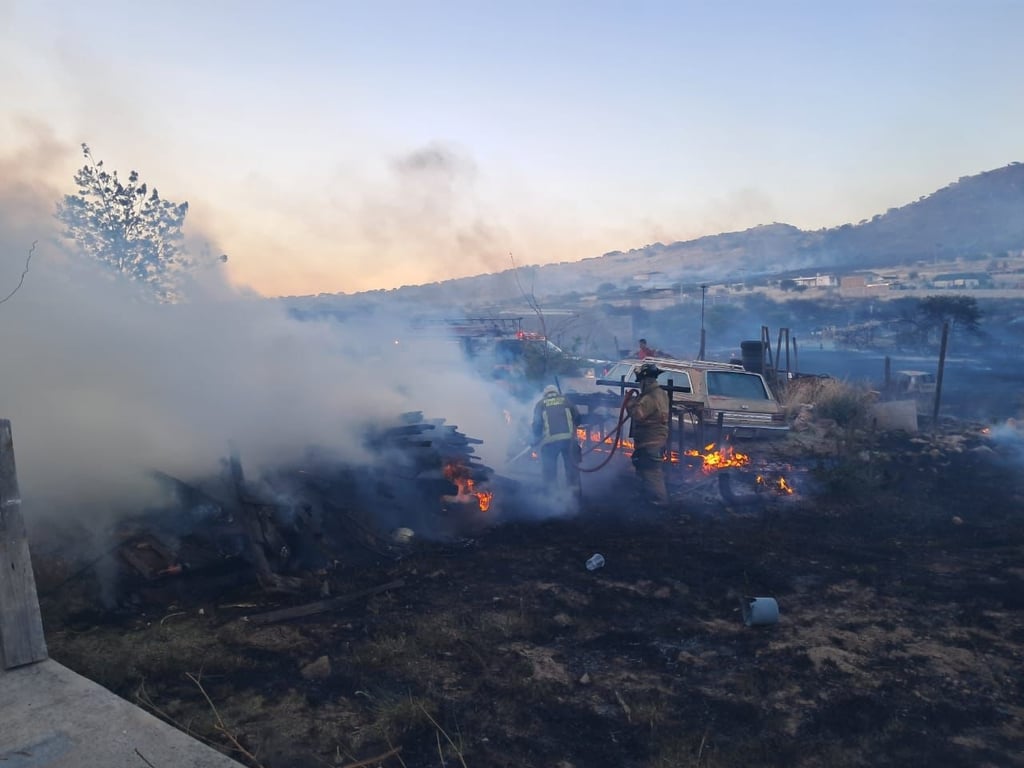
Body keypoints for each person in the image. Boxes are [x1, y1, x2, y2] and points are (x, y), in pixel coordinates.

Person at [625, 362, 670, 506]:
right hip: (652, 439)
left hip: (651, 439)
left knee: (651, 472)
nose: (639, 385)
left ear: (645, 381)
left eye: (640, 382)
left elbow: (638, 415)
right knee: (643, 469)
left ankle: (660, 501)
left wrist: (630, 403)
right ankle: (647, 498)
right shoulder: (660, 393)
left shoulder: (650, 397)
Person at [532, 384, 582, 491]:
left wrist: (536, 437)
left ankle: (551, 495)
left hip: (550, 442)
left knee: (549, 471)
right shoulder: (566, 401)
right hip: (569, 440)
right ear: (556, 392)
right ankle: (574, 494)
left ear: (545, 395)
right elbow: (577, 418)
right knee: (571, 468)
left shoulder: (540, 404)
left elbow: (537, 425)